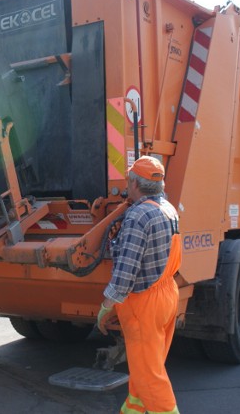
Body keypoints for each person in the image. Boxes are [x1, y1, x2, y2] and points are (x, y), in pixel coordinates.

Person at [97, 155, 182, 414]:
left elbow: (125, 275)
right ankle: (132, 409)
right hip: (167, 295)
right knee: (146, 368)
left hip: (144, 304)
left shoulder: (137, 217)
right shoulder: (168, 209)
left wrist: (106, 305)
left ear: (134, 184)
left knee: (149, 377)